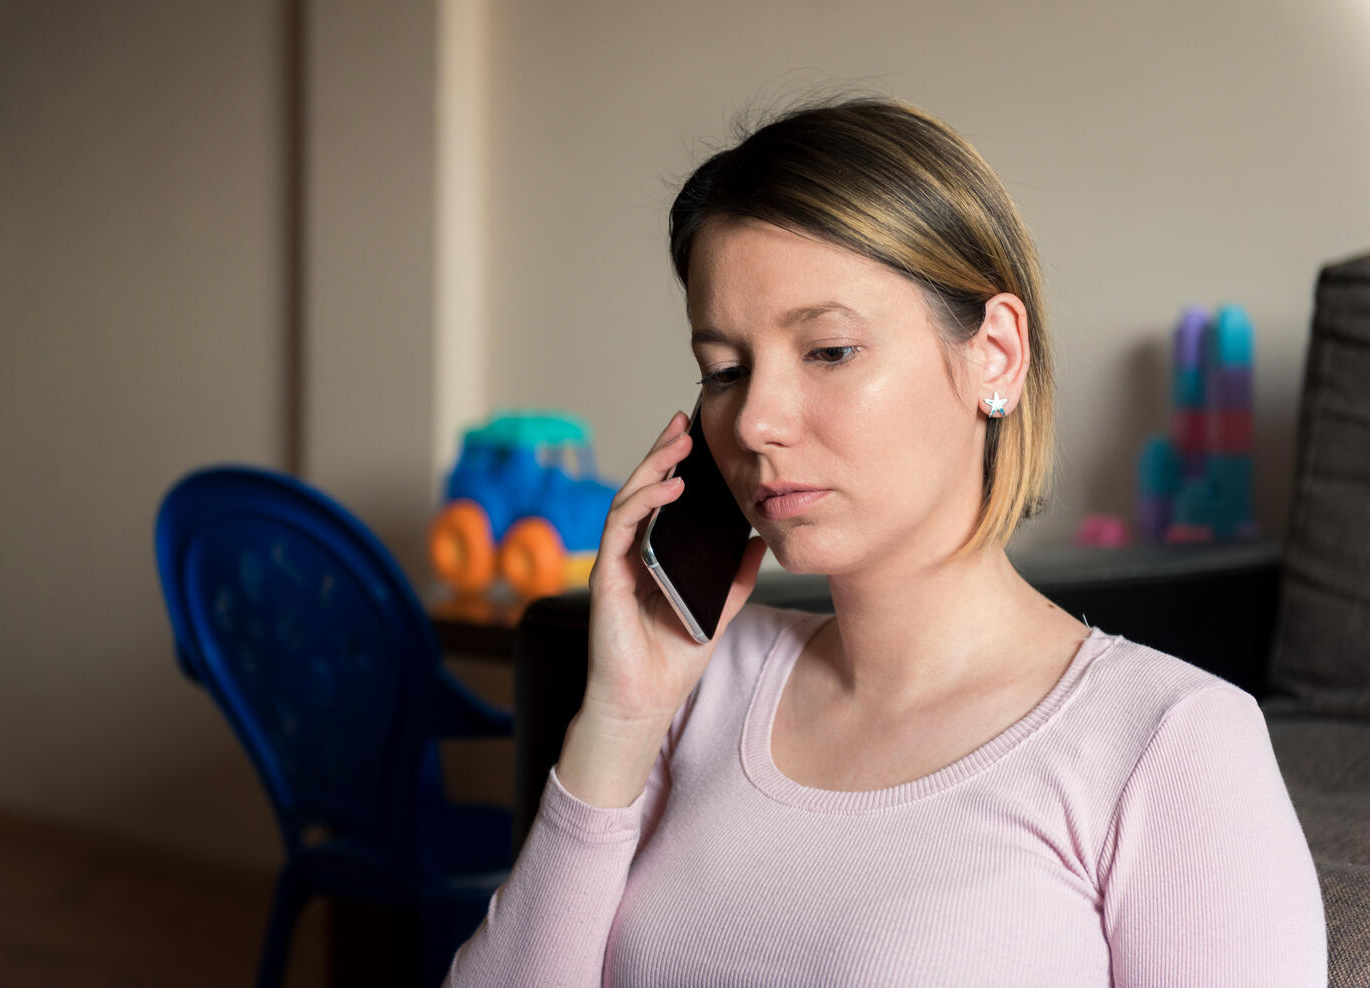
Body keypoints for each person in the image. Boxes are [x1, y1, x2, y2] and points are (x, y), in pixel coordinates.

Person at [445, 97, 1326, 986]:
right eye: (725, 370)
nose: (753, 419)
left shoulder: (1168, 744)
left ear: (995, 356)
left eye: (828, 350)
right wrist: (620, 721)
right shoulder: (699, 680)